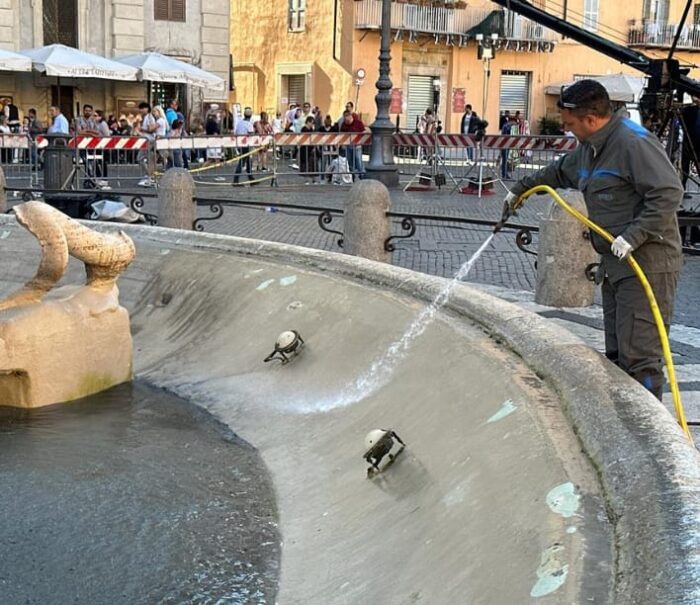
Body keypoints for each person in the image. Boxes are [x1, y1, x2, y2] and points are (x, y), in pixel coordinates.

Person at [503, 79, 683, 400]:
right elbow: (558, 172)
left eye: (570, 124)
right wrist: (521, 190)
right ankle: (623, 422)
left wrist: (632, 236)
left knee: (640, 357)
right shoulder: (590, 148)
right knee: (618, 353)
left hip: (646, 265)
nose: (566, 128)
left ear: (591, 119)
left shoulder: (633, 144)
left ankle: (646, 435)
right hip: (615, 265)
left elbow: (668, 193)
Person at [680, 96, 700, 198]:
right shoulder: (689, 110)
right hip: (689, 142)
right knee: (684, 167)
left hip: (695, 142)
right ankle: (681, 189)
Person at [135, 102, 157, 187]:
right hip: (146, 140)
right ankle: (149, 176)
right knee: (147, 159)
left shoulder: (150, 117)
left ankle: (148, 175)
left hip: (149, 140)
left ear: (146, 108)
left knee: (140, 158)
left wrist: (141, 129)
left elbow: (151, 129)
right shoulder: (145, 117)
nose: (140, 110)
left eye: (142, 108)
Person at [339, 109, 365, 180]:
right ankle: (352, 177)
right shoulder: (344, 124)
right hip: (348, 146)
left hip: (357, 146)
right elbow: (342, 135)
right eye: (345, 119)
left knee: (358, 161)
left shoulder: (358, 123)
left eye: (347, 119)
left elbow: (364, 132)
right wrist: (342, 144)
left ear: (350, 117)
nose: (346, 121)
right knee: (349, 162)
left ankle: (362, 176)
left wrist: (361, 142)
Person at [233, 106, 256, 185]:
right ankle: (235, 180)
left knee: (248, 161)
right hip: (246, 145)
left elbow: (235, 132)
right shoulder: (249, 124)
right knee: (242, 162)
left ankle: (251, 178)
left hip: (239, 144)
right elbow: (251, 134)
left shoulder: (239, 123)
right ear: (251, 115)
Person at [299, 115, 318, 184]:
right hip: (304, 149)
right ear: (308, 122)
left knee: (313, 165)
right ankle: (306, 179)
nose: (312, 125)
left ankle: (314, 179)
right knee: (305, 164)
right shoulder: (303, 129)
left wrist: (314, 147)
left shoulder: (311, 130)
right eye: (312, 123)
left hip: (311, 149)